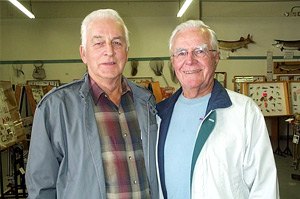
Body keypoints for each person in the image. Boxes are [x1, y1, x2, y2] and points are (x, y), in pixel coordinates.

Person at [25, 9, 158, 199]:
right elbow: (41, 189)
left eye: (117, 43)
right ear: (83, 53)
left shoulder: (146, 102)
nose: (109, 51)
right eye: (98, 43)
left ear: (127, 52)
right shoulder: (55, 108)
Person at [156, 20, 279, 199]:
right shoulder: (159, 114)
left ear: (216, 57)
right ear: (173, 61)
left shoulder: (243, 112)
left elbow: (264, 186)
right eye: (181, 53)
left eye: (200, 51)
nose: (189, 60)